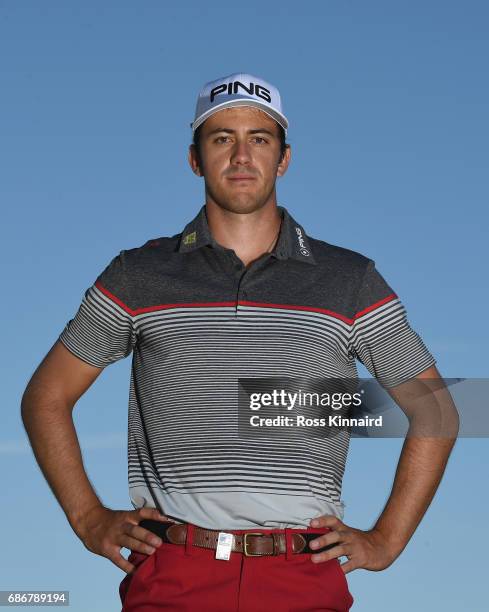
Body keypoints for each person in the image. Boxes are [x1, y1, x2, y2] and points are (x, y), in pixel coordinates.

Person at [21, 72, 458, 612]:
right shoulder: (139, 274)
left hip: (302, 572)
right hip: (173, 572)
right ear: (195, 159)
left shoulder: (350, 279)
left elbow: (437, 410)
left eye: (260, 138)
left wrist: (387, 539)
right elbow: (46, 396)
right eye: (222, 138)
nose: (242, 155)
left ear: (284, 159)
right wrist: (88, 517)